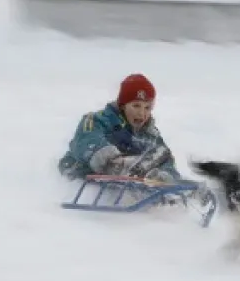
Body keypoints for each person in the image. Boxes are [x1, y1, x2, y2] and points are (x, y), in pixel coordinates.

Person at [58, 74, 209, 205]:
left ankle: (167, 190)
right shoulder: (98, 120)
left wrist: (165, 176)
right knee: (119, 160)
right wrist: (116, 163)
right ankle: (131, 172)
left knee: (161, 153)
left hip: (125, 181)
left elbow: (167, 162)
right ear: (123, 105)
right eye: (136, 105)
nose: (142, 113)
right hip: (82, 175)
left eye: (147, 108)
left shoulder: (150, 135)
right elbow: (87, 142)